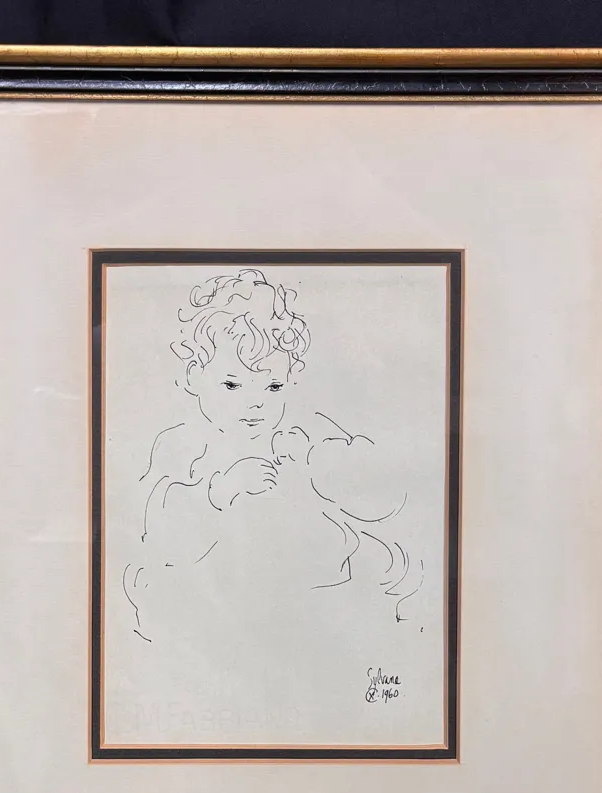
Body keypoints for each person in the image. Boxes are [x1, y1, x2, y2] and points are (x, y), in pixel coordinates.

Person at [123, 268, 422, 645]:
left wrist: (322, 465)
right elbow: (159, 531)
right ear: (196, 376)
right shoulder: (184, 443)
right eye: (232, 384)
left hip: (316, 593)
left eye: (274, 386)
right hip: (227, 602)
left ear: (292, 379)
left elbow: (379, 491)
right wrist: (219, 492)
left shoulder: (305, 432)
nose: (255, 401)